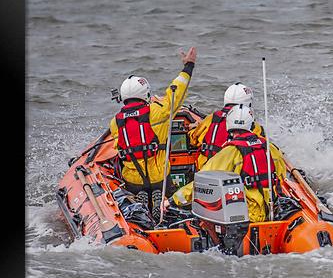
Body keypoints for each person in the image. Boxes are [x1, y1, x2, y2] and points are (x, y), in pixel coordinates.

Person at [110, 46, 197, 222]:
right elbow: (176, 92)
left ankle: (141, 201)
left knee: (130, 177)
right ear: (146, 94)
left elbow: (118, 149)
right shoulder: (157, 112)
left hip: (132, 181)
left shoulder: (115, 122)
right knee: (175, 193)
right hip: (160, 178)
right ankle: (165, 204)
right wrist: (188, 66)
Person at [168, 104, 287, 222]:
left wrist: (173, 200)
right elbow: (281, 178)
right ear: (251, 124)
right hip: (271, 211)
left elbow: (202, 181)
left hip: (243, 215)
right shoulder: (271, 148)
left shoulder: (230, 152)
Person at [188, 82, 267, 170]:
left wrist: (194, 127)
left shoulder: (212, 118)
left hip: (207, 170)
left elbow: (193, 139)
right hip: (235, 172)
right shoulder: (253, 126)